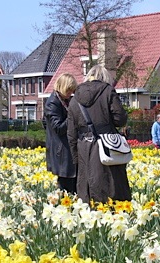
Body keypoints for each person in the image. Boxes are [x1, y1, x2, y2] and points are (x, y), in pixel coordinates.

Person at [67, 65, 132, 204]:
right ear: (105, 78)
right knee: (111, 188)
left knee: (87, 191)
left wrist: (76, 158)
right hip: (107, 145)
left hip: (84, 147)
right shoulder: (108, 91)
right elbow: (120, 119)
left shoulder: (74, 99)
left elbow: (71, 134)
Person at [44, 73, 77, 193]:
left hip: (67, 150)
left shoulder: (65, 101)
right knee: (66, 187)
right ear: (63, 87)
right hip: (61, 152)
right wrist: (72, 116)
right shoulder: (53, 103)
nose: (70, 93)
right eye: (69, 90)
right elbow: (58, 128)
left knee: (72, 187)